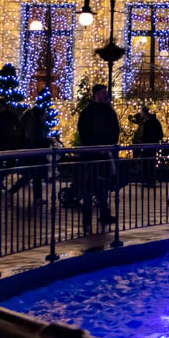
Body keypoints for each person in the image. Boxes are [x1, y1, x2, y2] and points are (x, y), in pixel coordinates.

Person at [76, 84, 120, 231]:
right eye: (103, 93)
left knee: (102, 187)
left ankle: (104, 213)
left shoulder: (107, 111)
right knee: (89, 189)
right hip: (91, 156)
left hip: (102, 154)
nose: (105, 95)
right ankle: (87, 216)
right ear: (96, 94)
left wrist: (108, 146)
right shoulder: (87, 113)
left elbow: (115, 130)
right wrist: (97, 147)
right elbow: (84, 132)